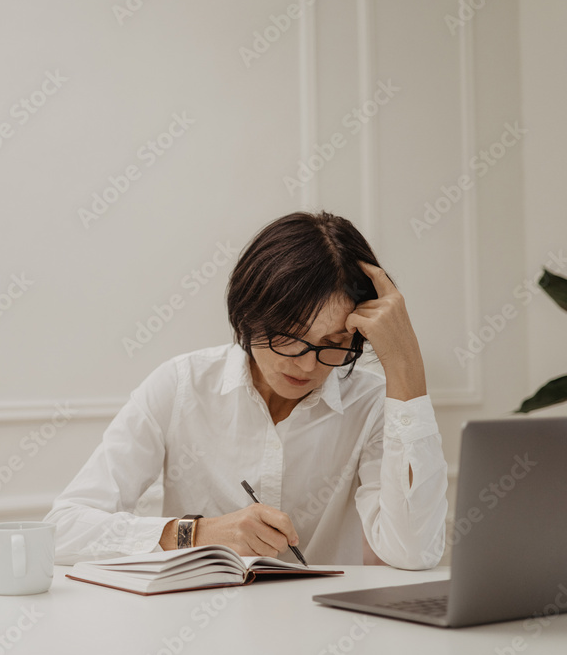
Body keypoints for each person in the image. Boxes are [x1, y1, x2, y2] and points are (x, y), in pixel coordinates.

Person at [43, 211, 448, 569]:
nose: (308, 364)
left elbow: (414, 552)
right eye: (289, 338)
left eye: (334, 343)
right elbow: (61, 528)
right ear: (248, 316)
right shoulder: (181, 385)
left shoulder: (372, 402)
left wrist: (405, 364)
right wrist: (199, 535)